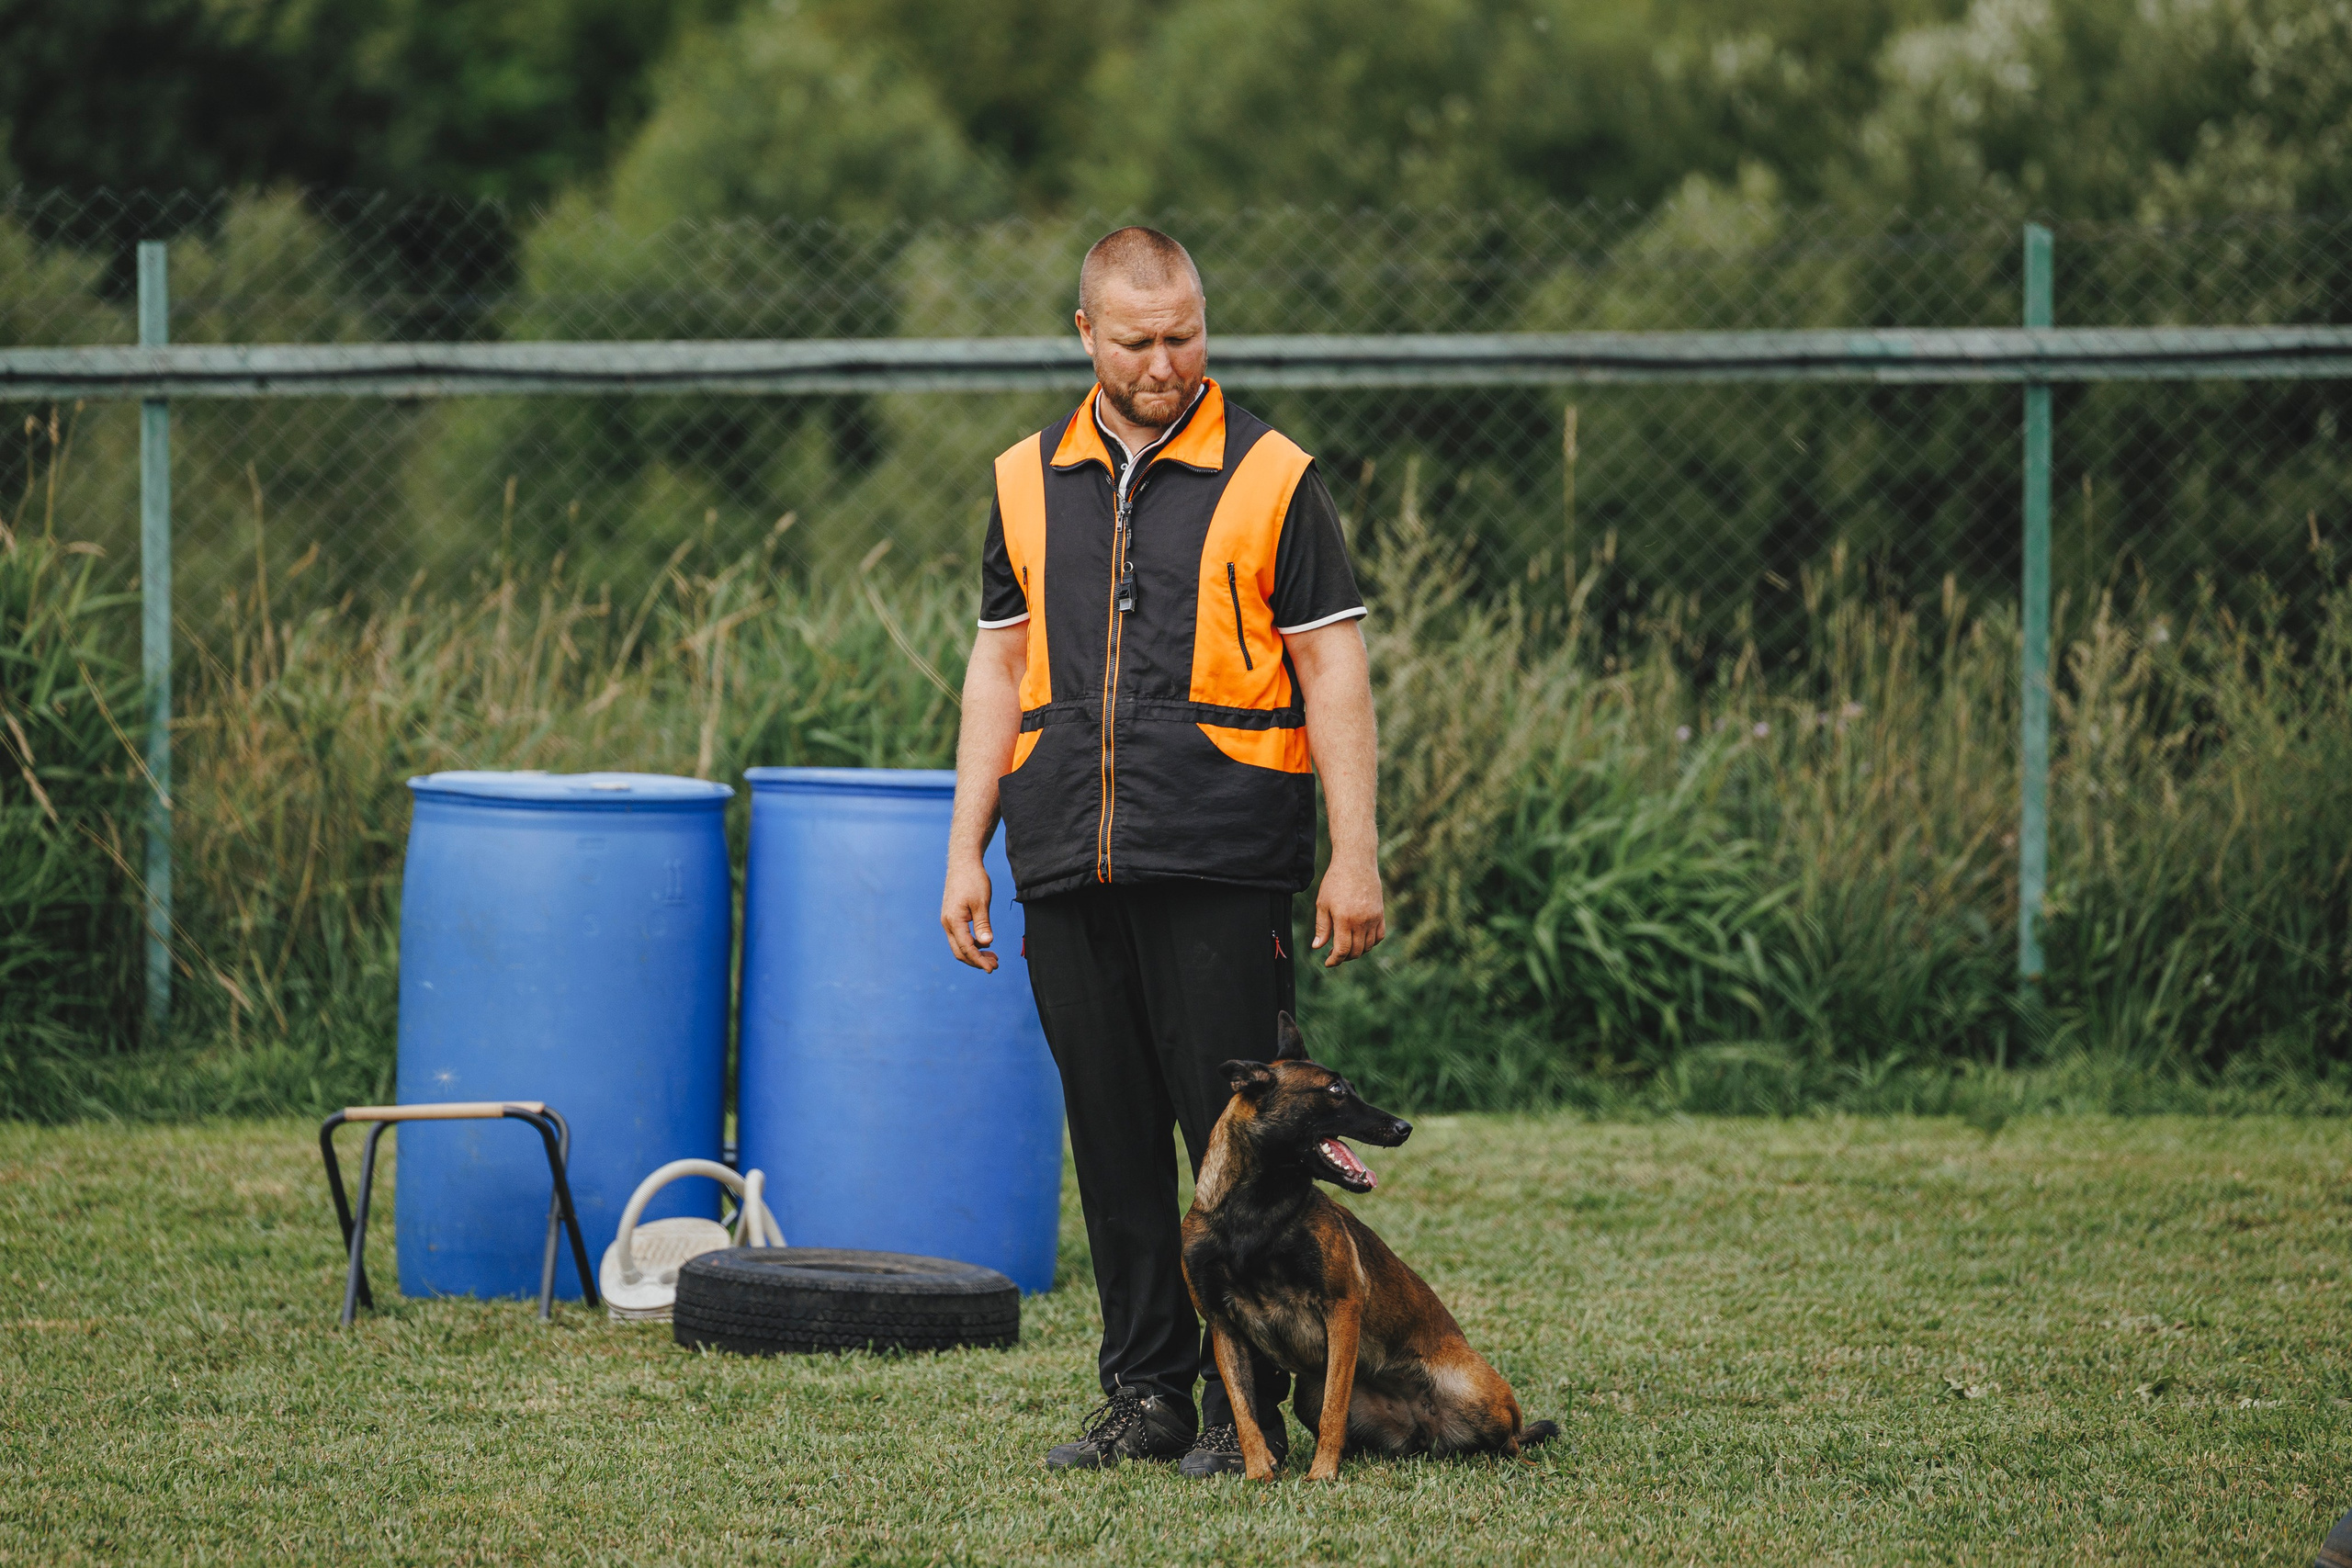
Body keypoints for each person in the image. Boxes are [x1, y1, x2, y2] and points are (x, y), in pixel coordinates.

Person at [939, 226, 1385, 1477]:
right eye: (1137, 340)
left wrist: (1355, 853)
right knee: (1115, 1141)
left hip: (1222, 854)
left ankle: (1274, 1408)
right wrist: (965, 847)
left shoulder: (1276, 475)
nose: (1166, 361)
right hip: (1063, 860)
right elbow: (997, 663)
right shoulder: (1026, 478)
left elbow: (1332, 665)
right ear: (1084, 334)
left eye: (1185, 333)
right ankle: (1149, 1400)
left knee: (1242, 1150)